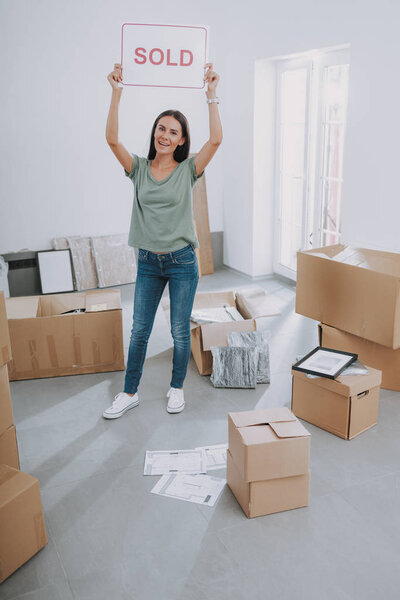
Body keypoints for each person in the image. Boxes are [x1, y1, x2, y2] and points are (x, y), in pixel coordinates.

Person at [102, 61, 222, 419]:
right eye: (161, 129)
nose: (165, 136)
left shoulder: (189, 170)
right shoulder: (137, 168)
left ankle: (176, 388)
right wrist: (116, 92)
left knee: (179, 332)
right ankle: (129, 392)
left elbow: (216, 140)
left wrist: (211, 95)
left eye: (173, 132)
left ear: (182, 140)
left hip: (183, 261)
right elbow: (111, 139)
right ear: (154, 133)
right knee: (139, 331)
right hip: (148, 263)